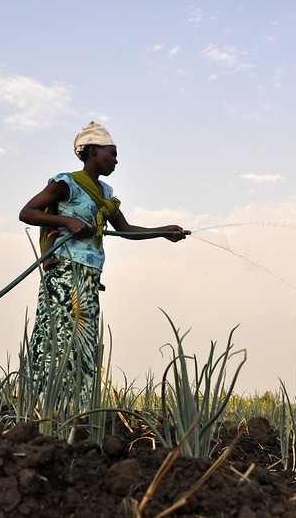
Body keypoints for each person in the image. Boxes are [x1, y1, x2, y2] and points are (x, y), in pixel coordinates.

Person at [19, 121, 186, 406]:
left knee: (84, 344)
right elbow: (27, 213)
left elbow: (126, 229)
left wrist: (163, 231)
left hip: (89, 277)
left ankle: (76, 409)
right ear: (92, 151)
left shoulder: (106, 193)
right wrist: (66, 221)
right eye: (112, 153)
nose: (116, 160)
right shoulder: (65, 183)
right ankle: (45, 406)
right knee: (59, 341)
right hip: (64, 274)